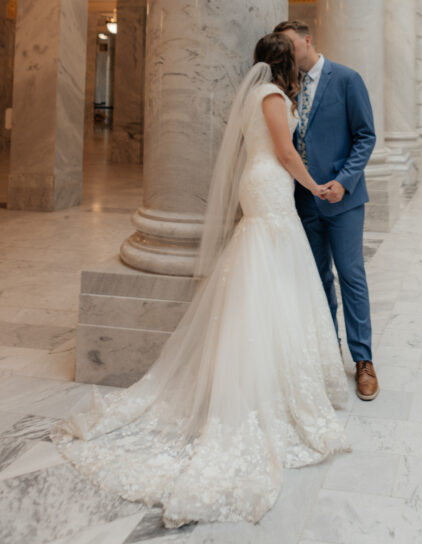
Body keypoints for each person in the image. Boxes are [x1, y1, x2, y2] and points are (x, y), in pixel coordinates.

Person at [52, 33, 349, 527]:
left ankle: (271, 372)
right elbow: (284, 153)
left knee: (267, 268)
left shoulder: (257, 94)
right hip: (270, 184)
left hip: (262, 184)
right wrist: (315, 186)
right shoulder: (272, 97)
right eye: (294, 56)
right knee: (270, 266)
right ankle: (267, 386)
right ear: (284, 63)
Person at [274, 19, 379, 402]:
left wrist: (344, 181)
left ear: (307, 40)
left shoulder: (347, 79)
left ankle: (364, 361)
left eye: (290, 46)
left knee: (351, 276)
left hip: (344, 200)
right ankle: (328, 353)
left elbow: (366, 135)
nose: (287, 54)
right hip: (303, 202)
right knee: (317, 279)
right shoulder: (285, 88)